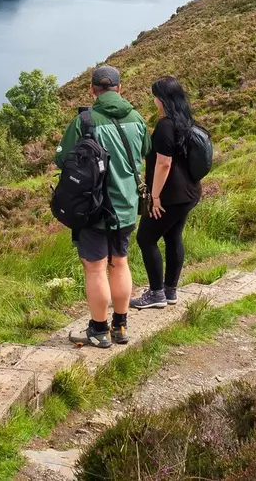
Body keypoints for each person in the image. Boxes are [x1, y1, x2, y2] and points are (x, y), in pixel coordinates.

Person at [55, 65, 149, 349]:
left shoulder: (86, 121)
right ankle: (120, 326)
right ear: (120, 88)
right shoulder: (137, 118)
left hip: (95, 208)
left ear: (92, 89)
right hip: (128, 206)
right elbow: (144, 151)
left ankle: (98, 330)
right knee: (120, 262)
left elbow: (63, 160)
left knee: (95, 269)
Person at [131, 77, 203, 310]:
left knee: (146, 238)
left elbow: (164, 163)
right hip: (189, 192)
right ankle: (170, 290)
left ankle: (156, 294)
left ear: (161, 99)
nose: (153, 100)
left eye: (154, 96)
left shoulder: (165, 125)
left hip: (170, 196)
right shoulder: (187, 122)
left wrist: (156, 196)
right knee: (173, 237)